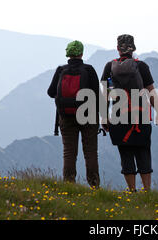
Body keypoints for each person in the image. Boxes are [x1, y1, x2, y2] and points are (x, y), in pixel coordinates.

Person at [101, 34, 158, 192]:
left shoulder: (109, 67)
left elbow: (105, 94)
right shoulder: (141, 66)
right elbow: (151, 92)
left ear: (118, 49)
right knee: (143, 152)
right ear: (133, 48)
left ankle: (132, 191)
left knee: (126, 154)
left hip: (118, 117)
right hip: (140, 117)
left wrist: (104, 116)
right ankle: (147, 191)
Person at [47, 40, 101, 188]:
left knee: (69, 153)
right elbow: (97, 95)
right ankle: (95, 186)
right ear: (82, 53)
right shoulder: (89, 70)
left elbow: (51, 92)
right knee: (90, 153)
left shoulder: (60, 70)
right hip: (88, 116)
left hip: (65, 116)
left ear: (68, 54)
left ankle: (69, 186)